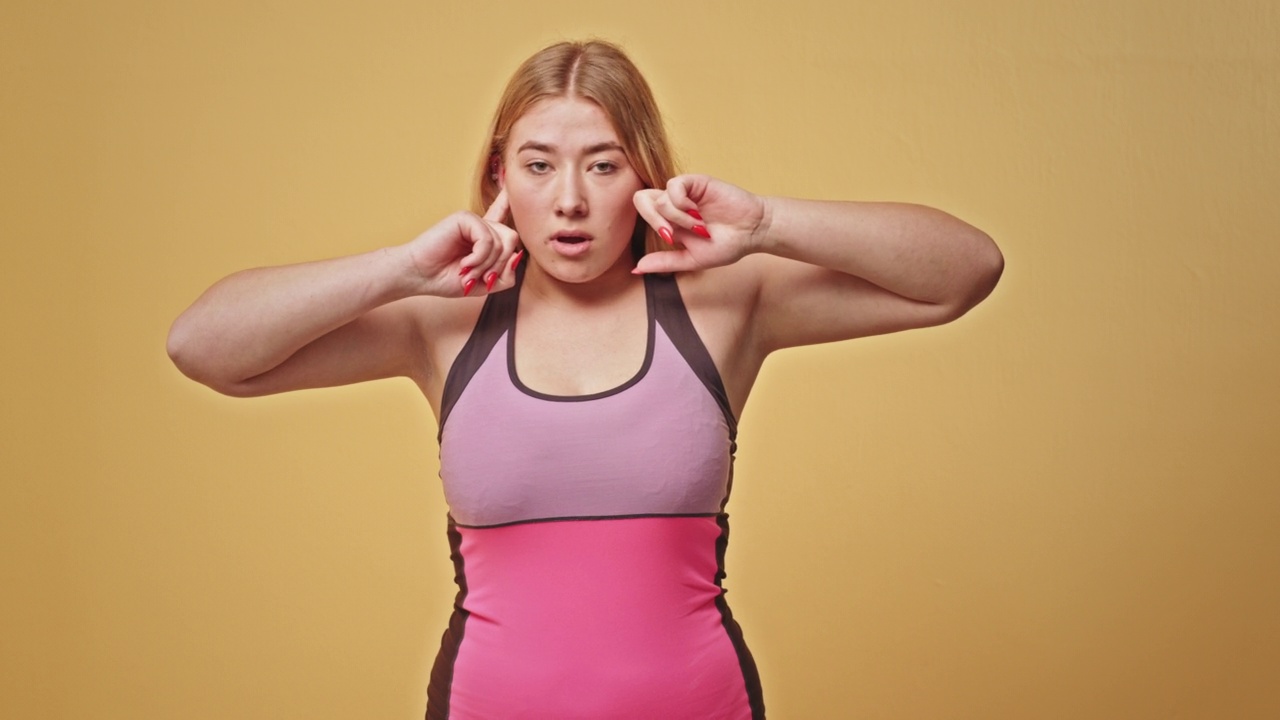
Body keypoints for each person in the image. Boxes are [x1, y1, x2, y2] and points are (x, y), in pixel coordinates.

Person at [168, 39, 1002, 720]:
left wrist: (769, 226)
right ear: (499, 177)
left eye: (603, 166)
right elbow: (204, 347)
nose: (569, 200)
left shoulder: (725, 305)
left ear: (645, 174)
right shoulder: (443, 317)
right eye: (538, 166)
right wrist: (398, 271)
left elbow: (965, 272)